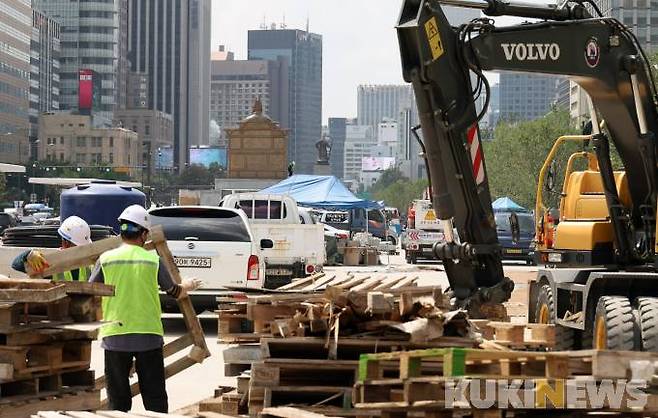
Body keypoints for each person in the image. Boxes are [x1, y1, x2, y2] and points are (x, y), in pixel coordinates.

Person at [88, 204, 201, 412]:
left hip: (115, 335)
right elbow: (174, 292)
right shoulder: (152, 260)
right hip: (148, 335)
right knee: (154, 396)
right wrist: (189, 285)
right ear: (143, 234)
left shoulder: (106, 259)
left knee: (118, 400)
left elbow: (90, 291)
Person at [12, 215, 93, 280]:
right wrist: (27, 255)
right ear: (65, 243)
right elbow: (16, 265)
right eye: (79, 247)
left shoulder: (89, 265)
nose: (82, 252)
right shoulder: (52, 263)